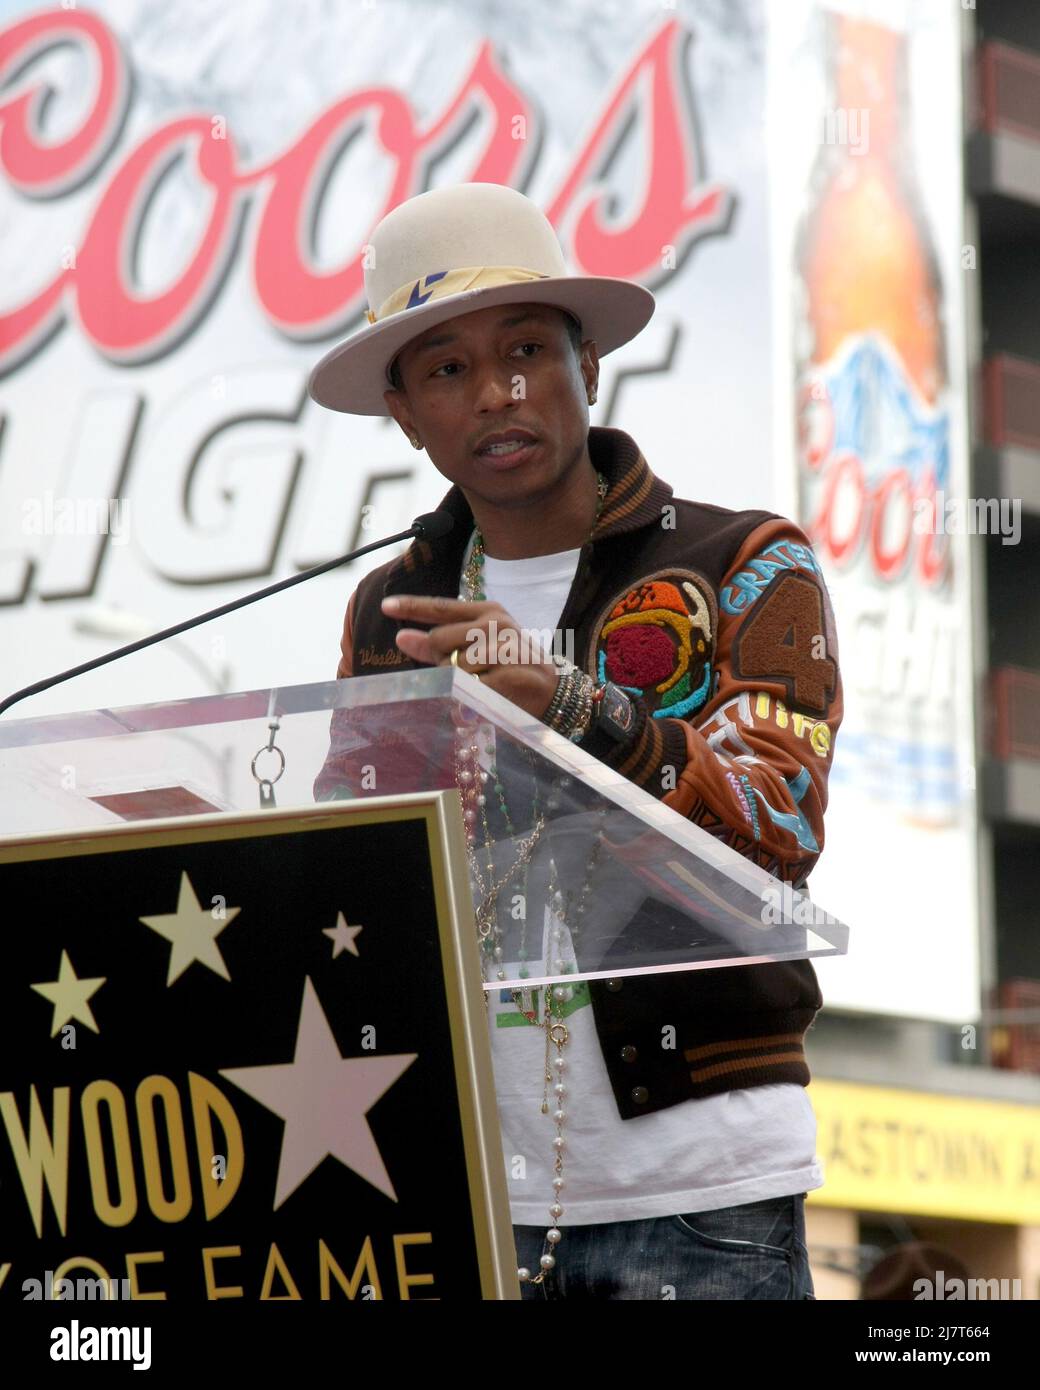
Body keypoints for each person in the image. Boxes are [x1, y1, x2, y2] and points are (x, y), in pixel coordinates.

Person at [308, 182, 844, 1300]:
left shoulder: (742, 558)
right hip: (455, 1180)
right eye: (446, 368)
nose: (497, 390)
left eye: (525, 350)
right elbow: (361, 879)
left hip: (698, 1188)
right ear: (404, 413)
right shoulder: (387, 609)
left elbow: (778, 827)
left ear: (586, 364)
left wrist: (567, 701)